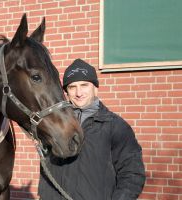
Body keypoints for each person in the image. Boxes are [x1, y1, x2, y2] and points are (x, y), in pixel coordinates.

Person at [38, 59, 146, 200]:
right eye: (72, 87)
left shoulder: (115, 126)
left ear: (95, 87)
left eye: (84, 85)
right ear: (66, 92)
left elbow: (132, 174)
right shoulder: (55, 125)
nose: (78, 92)